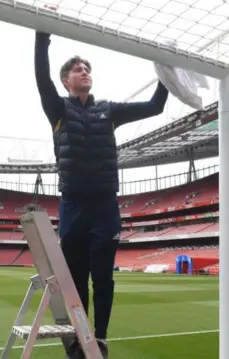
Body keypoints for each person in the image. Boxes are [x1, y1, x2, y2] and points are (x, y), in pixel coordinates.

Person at [34, 31, 169, 359]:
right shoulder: (57, 110)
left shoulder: (109, 110)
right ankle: (81, 339)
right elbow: (41, 76)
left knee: (103, 278)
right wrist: (42, 36)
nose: (84, 71)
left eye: (87, 68)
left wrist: (168, 73)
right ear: (66, 80)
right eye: (77, 69)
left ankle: (101, 337)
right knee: (76, 279)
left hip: (104, 205)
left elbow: (155, 106)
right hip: (72, 204)